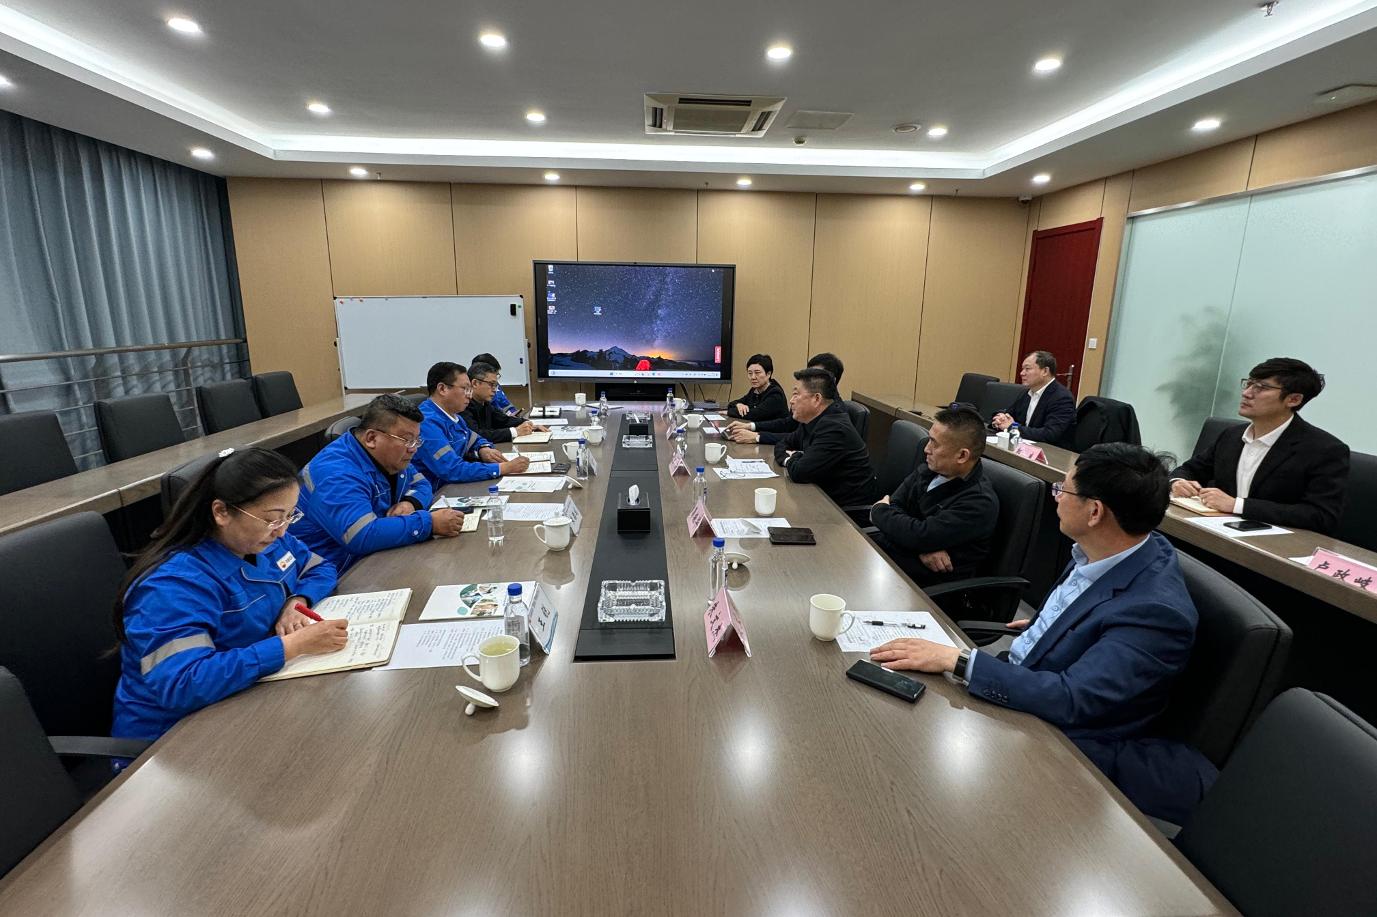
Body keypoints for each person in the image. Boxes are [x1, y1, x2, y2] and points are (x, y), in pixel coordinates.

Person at [869, 443, 1215, 824]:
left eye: (1063, 490)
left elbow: (1072, 700)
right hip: (1024, 678)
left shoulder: (1155, 613)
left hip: (1061, 745)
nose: (1056, 498)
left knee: (911, 783)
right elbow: (1088, 608)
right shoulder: (1113, 547)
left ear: (1095, 512)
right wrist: (1049, 624)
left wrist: (959, 660)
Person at [112, 448, 348, 741]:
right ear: (221, 512)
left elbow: (320, 567)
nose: (282, 531)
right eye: (273, 519)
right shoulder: (172, 585)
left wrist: (297, 601)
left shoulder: (264, 541)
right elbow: (184, 683)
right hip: (170, 738)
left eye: (290, 516)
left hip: (244, 699)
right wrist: (291, 646)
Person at [1170, 357, 1349, 533]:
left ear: (1293, 399)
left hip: (1274, 543)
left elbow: (1321, 516)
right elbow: (1190, 470)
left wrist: (1237, 505)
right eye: (1248, 384)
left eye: (1261, 387)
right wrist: (1177, 482)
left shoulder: (1325, 450)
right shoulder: (1231, 435)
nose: (1247, 393)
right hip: (1213, 532)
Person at [293, 394, 467, 572]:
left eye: (416, 440)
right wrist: (429, 524)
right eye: (407, 440)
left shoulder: (390, 457)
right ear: (371, 438)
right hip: (335, 572)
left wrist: (410, 503)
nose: (413, 448)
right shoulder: (335, 473)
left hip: (374, 555)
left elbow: (421, 484)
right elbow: (361, 535)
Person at [869, 404, 999, 585]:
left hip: (929, 584)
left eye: (934, 443)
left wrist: (879, 512)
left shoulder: (979, 502)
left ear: (962, 456)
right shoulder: (931, 469)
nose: (926, 449)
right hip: (896, 559)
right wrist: (921, 546)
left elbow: (919, 535)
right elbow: (897, 504)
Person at [412, 362, 530, 489]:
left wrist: (482, 449)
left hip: (454, 486)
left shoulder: (453, 416)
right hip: (437, 492)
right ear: (442, 389)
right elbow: (452, 470)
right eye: (465, 389)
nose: (469, 395)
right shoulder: (426, 423)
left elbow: (475, 438)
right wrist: (502, 468)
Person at [772, 367, 879, 505]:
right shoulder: (810, 420)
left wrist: (791, 458)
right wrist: (796, 458)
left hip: (846, 511)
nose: (791, 401)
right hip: (822, 496)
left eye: (796, 394)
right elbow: (782, 443)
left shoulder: (834, 428)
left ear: (816, 399)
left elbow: (800, 473)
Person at [726, 352, 845, 444]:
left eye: (815, 376)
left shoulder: (834, 416)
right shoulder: (810, 403)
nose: (792, 401)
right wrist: (751, 427)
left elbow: (800, 440)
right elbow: (789, 426)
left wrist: (757, 437)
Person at [991, 350, 1077, 449]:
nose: (1022, 373)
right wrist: (1000, 418)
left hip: (1050, 452)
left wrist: (1012, 428)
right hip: (1023, 447)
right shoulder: (1027, 392)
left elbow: (1050, 434)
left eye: (1027, 369)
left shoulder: (1062, 398)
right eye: (1022, 369)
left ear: (1045, 371)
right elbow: (1010, 414)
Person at [465, 361, 548, 443]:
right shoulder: (464, 406)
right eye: (491, 384)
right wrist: (515, 431)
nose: (495, 390)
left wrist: (528, 424)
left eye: (496, 385)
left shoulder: (485, 404)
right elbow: (476, 436)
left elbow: (504, 420)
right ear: (475, 383)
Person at [725, 353, 788, 423]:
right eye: (750, 373)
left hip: (774, 430)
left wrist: (729, 412)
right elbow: (731, 404)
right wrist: (738, 405)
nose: (753, 377)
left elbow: (754, 415)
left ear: (768, 374)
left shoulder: (775, 393)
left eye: (757, 373)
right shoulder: (754, 390)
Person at [471, 352, 522, 418]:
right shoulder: (469, 400)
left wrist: (513, 413)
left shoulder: (494, 385)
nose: (494, 389)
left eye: (497, 374)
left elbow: (505, 404)